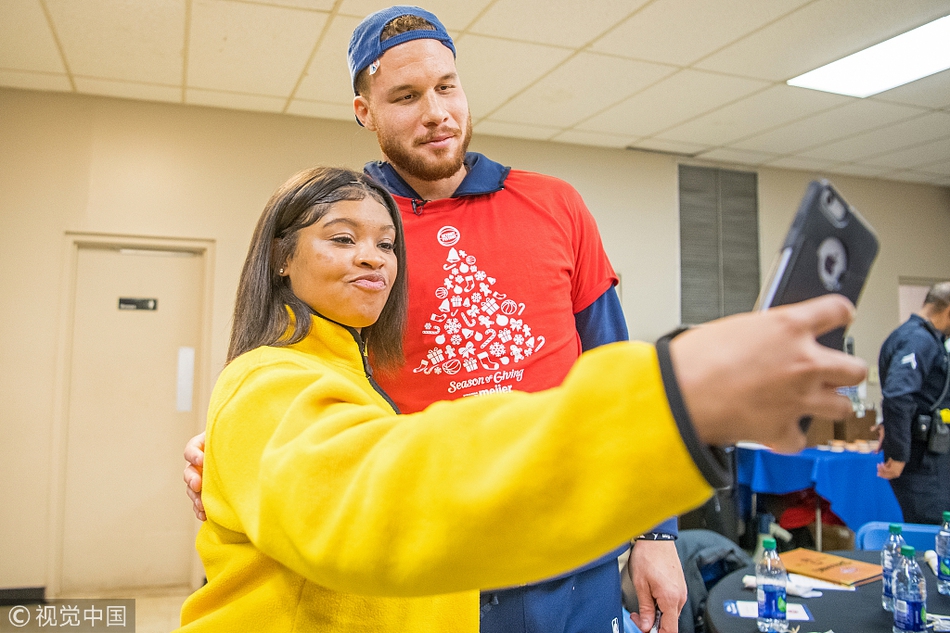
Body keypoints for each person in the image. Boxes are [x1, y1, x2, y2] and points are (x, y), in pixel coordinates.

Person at [182, 6, 859, 632]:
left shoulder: (555, 204)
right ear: (365, 110)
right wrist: (242, 453)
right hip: (427, 552)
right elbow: (308, 394)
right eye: (407, 97)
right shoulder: (360, 223)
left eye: (447, 87)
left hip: (565, 553)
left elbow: (611, 356)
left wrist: (656, 534)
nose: (436, 113)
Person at [877, 282, 950, 524]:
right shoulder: (918, 340)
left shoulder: (919, 337)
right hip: (923, 463)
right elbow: (897, 394)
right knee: (934, 534)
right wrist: (898, 454)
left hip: (930, 456)